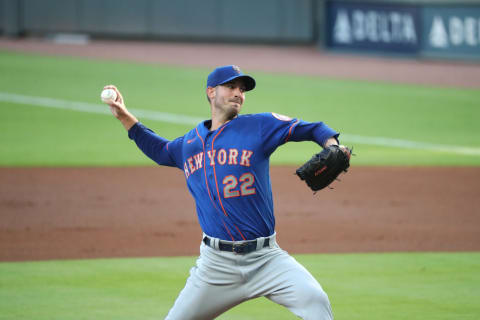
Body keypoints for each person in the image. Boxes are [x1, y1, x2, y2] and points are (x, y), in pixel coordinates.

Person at [104, 65, 344, 320]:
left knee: (315, 300)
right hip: (215, 266)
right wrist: (123, 116)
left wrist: (333, 146)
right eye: (231, 87)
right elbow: (160, 150)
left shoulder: (260, 126)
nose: (238, 93)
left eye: (242, 89)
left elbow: (313, 128)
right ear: (211, 92)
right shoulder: (189, 143)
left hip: (267, 260)